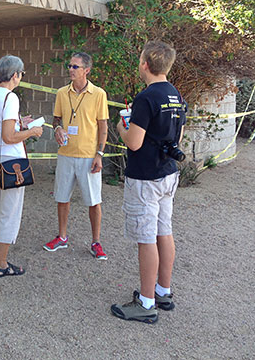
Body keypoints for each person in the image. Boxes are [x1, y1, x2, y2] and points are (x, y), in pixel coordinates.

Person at [111, 41, 186, 324]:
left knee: (146, 237)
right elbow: (177, 139)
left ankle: (145, 303)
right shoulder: (175, 95)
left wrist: (122, 126)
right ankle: (162, 290)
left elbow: (133, 142)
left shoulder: (146, 98)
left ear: (145, 64)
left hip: (145, 178)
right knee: (163, 231)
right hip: (168, 174)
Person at [0, 55, 43, 278]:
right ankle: (2, 263)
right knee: (10, 211)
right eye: (22, 74)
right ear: (15, 75)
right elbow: (9, 136)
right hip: (10, 159)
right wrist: (32, 131)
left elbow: (0, 127)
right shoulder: (10, 97)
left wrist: (20, 123)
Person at [43, 52, 109, 259]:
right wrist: (57, 129)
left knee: (93, 201)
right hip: (65, 154)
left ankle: (96, 242)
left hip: (89, 156)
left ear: (86, 70)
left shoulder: (98, 94)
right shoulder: (62, 93)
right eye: (69, 66)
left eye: (75, 67)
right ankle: (62, 237)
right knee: (62, 198)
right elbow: (56, 119)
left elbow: (103, 126)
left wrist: (99, 154)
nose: (70, 69)